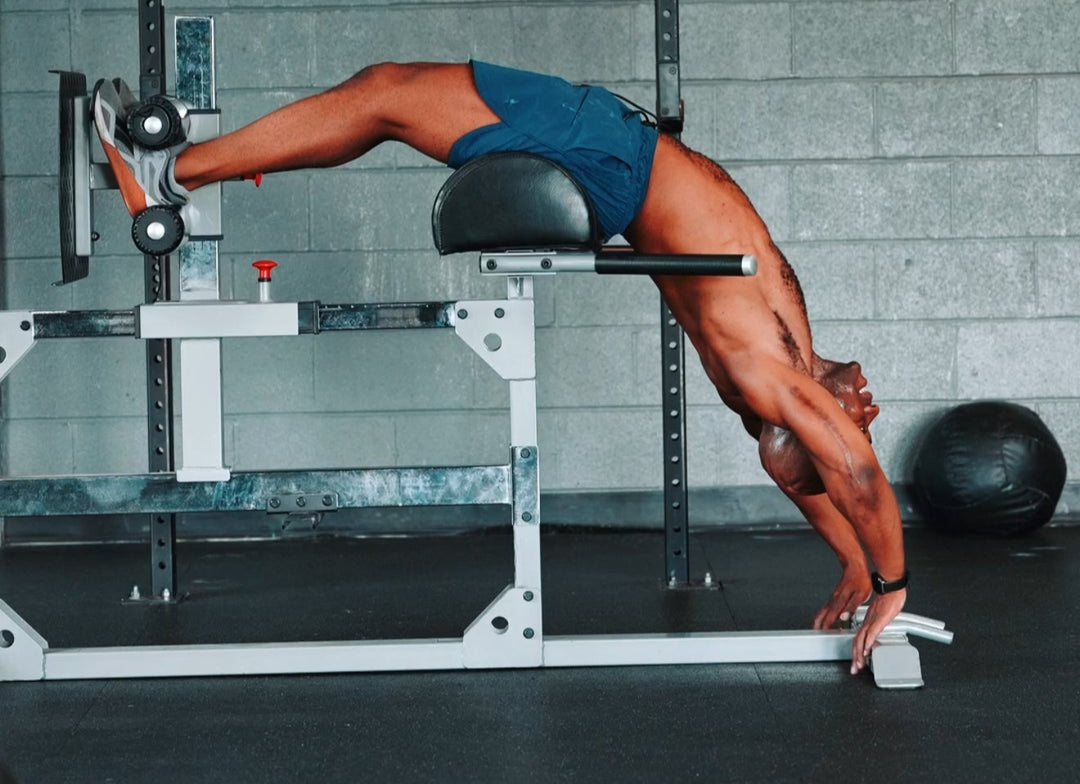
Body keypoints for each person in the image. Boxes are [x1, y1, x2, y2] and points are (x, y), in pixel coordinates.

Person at [92, 59, 907, 675]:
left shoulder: (763, 375)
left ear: (797, 428)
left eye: (850, 420)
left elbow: (854, 476)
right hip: (621, 156)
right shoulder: (790, 358)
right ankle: (173, 168)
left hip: (612, 159)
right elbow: (827, 472)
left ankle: (166, 172)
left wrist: (893, 583)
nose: (864, 406)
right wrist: (854, 565)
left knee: (383, 95)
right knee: (383, 100)